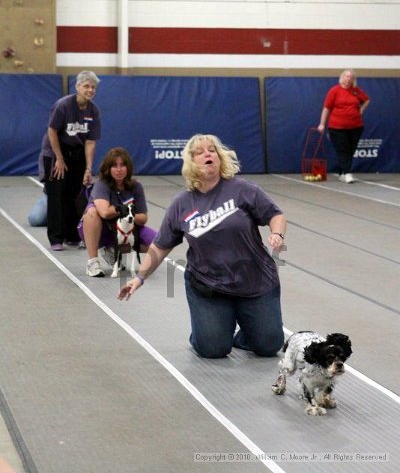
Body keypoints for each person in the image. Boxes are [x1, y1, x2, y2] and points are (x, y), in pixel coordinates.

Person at [118, 133, 286, 359]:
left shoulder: (243, 189)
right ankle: (207, 331)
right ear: (191, 162)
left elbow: (276, 215)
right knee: (213, 349)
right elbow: (160, 246)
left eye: (212, 150)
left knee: (268, 346)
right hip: (209, 287)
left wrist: (277, 233)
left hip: (255, 282)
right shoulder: (182, 204)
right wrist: (139, 278)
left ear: (220, 157)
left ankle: (246, 329)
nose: (208, 154)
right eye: (200, 152)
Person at [39, 70, 101, 250]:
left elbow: (90, 142)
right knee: (56, 195)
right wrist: (58, 158)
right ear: (78, 87)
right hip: (55, 150)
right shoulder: (63, 105)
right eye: (86, 86)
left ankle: (72, 235)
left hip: (77, 152)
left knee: (74, 195)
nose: (90, 90)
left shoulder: (94, 111)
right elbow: (52, 131)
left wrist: (88, 168)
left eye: (93, 87)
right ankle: (56, 238)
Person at [79, 146, 157, 277]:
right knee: (92, 212)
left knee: (158, 242)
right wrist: (125, 210)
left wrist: (129, 216)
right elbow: (104, 212)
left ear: (128, 168)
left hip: (124, 229)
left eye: (123, 165)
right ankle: (93, 262)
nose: (119, 169)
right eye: (114, 166)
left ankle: (112, 249)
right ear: (108, 169)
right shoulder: (101, 184)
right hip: (98, 229)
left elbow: (143, 218)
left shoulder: (136, 187)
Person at [317, 69, 370, 184]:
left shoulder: (356, 91)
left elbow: (366, 100)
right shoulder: (334, 90)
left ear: (353, 79)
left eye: (351, 77)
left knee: (351, 150)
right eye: (346, 76)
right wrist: (322, 123)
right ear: (342, 77)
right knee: (343, 150)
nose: (348, 79)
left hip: (356, 126)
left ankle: (342, 172)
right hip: (337, 127)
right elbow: (326, 108)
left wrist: (361, 110)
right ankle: (347, 173)